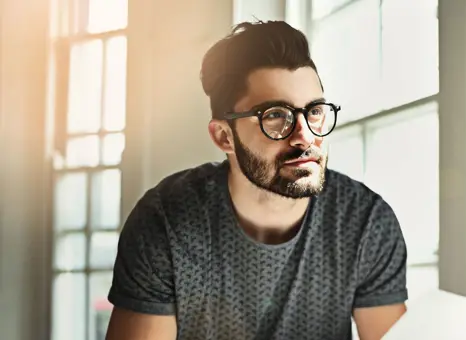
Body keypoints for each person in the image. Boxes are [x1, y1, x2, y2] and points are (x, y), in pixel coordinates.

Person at [105, 20, 408, 340]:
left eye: (315, 111)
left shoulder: (364, 221)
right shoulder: (166, 221)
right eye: (276, 115)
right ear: (224, 137)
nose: (305, 137)